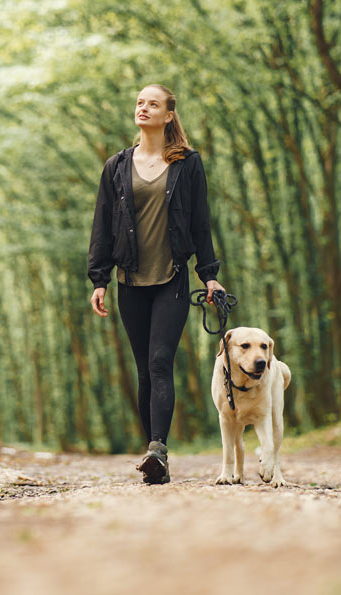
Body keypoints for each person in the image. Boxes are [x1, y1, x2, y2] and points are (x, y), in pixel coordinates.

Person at [87, 84, 224, 485]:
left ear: (168, 115)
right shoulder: (116, 166)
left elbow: (201, 221)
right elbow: (102, 225)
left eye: (152, 104)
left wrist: (210, 273)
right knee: (144, 371)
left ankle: (158, 449)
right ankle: (155, 457)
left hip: (173, 278)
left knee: (161, 361)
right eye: (139, 102)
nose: (143, 108)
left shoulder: (187, 164)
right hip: (130, 278)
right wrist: (100, 279)